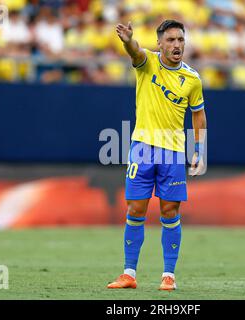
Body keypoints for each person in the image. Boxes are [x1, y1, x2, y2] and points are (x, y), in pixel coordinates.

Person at [107, 20, 207, 290]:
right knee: (135, 208)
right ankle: (129, 274)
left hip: (173, 152)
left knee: (170, 210)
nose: (177, 45)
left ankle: (169, 276)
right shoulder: (147, 62)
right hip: (142, 147)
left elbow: (198, 115)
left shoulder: (193, 79)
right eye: (171, 40)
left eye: (181, 40)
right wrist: (127, 40)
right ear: (160, 43)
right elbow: (135, 52)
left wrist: (200, 150)